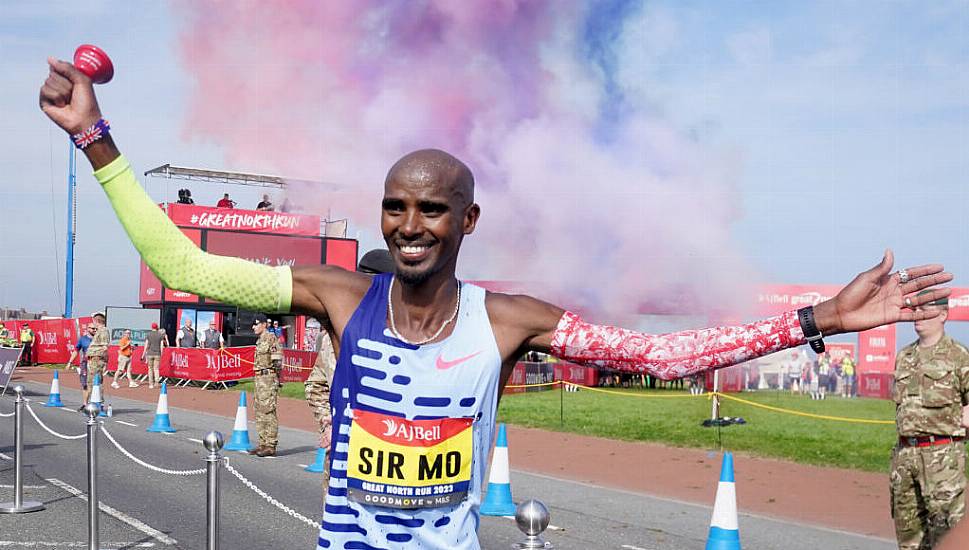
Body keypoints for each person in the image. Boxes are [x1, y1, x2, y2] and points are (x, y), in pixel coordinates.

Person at [39, 57, 954, 550]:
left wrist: (817, 321)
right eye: (395, 205)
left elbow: (662, 357)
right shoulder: (335, 294)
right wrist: (96, 136)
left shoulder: (510, 320)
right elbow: (179, 261)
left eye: (430, 207)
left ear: (466, 218)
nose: (409, 223)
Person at [890, 293, 969, 549]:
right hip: (905, 455)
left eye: (926, 310)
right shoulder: (904, 356)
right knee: (909, 539)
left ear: (943, 315)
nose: (918, 316)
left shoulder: (958, 356)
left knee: (946, 534)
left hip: (942, 455)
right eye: (916, 310)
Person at [251, 314, 280, 457]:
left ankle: (270, 444)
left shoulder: (271, 338)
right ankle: (262, 443)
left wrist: (275, 378)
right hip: (259, 378)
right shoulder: (259, 340)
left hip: (268, 378)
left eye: (256, 324)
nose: (253, 327)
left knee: (268, 411)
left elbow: (277, 361)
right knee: (259, 411)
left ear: (264, 324)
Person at [67, 323, 96, 409]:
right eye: (93, 328)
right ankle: (85, 404)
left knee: (94, 384)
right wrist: (69, 362)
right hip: (85, 363)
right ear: (88, 329)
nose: (95, 330)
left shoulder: (98, 339)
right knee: (85, 384)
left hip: (95, 364)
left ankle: (94, 403)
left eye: (96, 329)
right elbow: (76, 351)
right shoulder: (83, 339)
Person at [87, 311, 110, 400]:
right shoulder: (99, 331)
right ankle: (93, 401)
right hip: (93, 359)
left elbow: (105, 347)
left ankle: (98, 401)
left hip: (96, 359)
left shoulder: (103, 330)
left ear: (96, 320)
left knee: (96, 381)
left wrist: (102, 360)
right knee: (91, 382)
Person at [141, 322, 167, 389]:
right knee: (156, 369)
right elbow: (162, 345)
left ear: (151, 327)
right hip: (157, 353)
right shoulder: (160, 335)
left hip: (150, 353)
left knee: (150, 369)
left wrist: (143, 354)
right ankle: (156, 382)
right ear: (157, 327)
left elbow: (146, 345)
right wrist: (161, 353)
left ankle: (151, 384)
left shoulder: (148, 334)